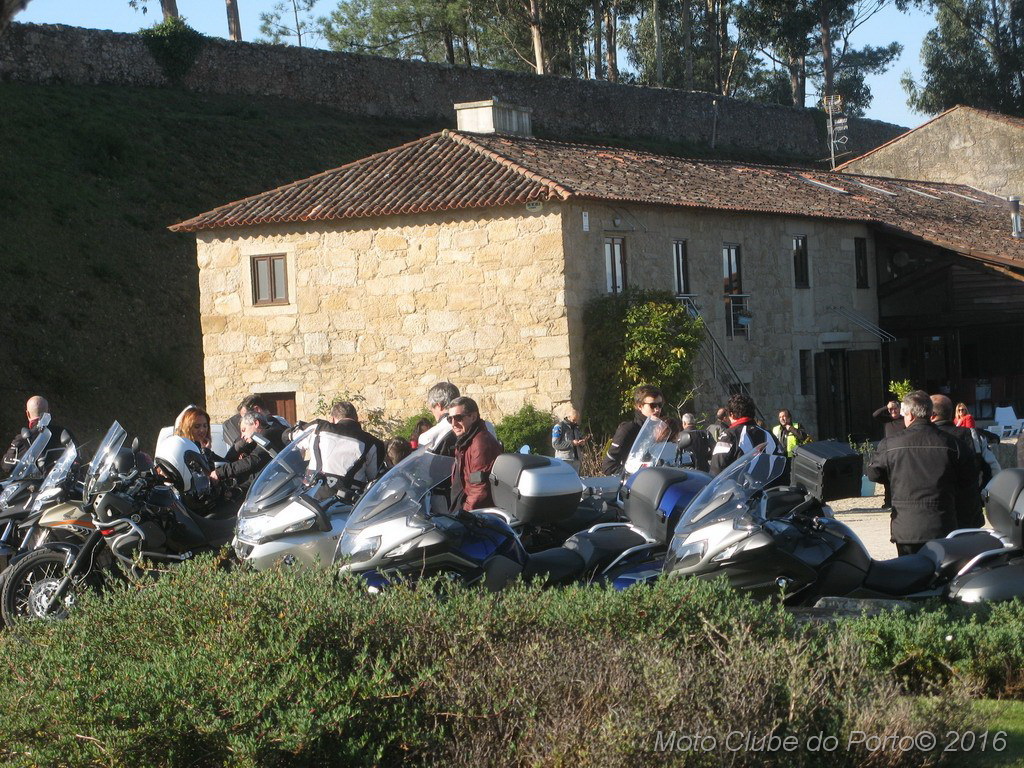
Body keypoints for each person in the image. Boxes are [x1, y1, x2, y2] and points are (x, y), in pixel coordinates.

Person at [866, 391, 976, 555]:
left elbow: (873, 473)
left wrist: (895, 474)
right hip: (942, 524)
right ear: (930, 413)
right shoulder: (953, 444)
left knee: (910, 569)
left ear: (910, 415)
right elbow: (969, 479)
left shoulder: (891, 444)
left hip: (906, 528)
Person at [930, 394, 985, 529]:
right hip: (968, 509)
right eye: (959, 410)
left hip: (935, 513)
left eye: (963, 410)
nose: (961, 412)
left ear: (931, 415)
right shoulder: (969, 435)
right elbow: (988, 466)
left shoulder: (923, 438)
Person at [448, 396, 503, 512]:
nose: (453, 424)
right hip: (463, 507)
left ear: (473, 417)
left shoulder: (480, 443)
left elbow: (479, 488)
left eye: (458, 418)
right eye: (450, 419)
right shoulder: (465, 440)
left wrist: (464, 514)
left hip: (477, 513)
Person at [210, 411, 286, 488]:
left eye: (244, 430)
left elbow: (253, 460)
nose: (242, 436)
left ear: (256, 423)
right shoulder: (270, 432)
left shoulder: (268, 434)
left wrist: (221, 472)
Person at [709, 393, 778, 477]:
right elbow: (782, 464)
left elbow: (716, 469)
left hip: (739, 485)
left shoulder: (729, 435)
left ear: (731, 414)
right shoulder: (769, 434)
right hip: (770, 484)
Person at [2, 395, 72, 477]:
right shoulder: (64, 433)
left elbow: (6, 466)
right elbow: (79, 459)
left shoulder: (22, 439)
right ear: (48, 411)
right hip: (61, 483)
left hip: (34, 484)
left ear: (28, 414)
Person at [602, 385, 665, 476]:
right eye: (652, 405)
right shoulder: (627, 430)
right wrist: (633, 474)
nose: (657, 409)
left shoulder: (661, 429)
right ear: (639, 406)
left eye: (660, 405)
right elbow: (608, 466)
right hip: (633, 482)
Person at [551, 405, 589, 471]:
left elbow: (580, 440)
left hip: (576, 460)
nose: (575, 422)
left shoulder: (576, 428)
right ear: (568, 417)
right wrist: (572, 443)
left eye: (577, 420)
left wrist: (582, 443)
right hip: (564, 460)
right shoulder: (559, 427)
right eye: (574, 420)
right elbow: (555, 444)